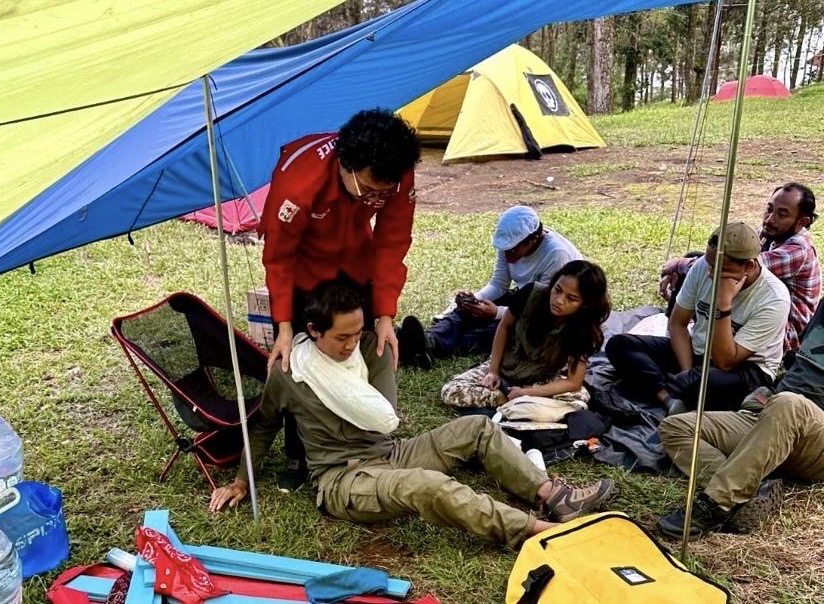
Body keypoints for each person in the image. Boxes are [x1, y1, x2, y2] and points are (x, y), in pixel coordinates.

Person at [209, 278, 616, 548]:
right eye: (341, 337)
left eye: (357, 332)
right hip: (342, 478)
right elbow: (261, 427)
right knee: (429, 486)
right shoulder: (291, 372)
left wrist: (378, 351)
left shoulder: (370, 351)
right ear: (314, 331)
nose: (352, 344)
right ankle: (533, 531)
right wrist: (242, 481)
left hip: (389, 453)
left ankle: (551, 495)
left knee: (477, 428)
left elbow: (385, 415)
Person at [257, 108, 420, 489]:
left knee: (359, 346)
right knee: (303, 362)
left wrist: (383, 315)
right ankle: (304, 456)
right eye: (370, 188)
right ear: (345, 166)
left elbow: (392, 241)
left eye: (385, 190)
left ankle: (367, 443)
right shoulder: (298, 184)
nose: (379, 195)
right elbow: (278, 257)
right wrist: (283, 327)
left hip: (355, 262)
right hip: (305, 270)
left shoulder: (395, 173)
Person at [657, 301, 824, 540]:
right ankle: (751, 492)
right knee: (676, 427)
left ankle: (716, 504)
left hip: (814, 433)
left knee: (790, 404)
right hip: (776, 417)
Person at [607, 223, 790, 415]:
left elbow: (726, 361)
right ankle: (668, 398)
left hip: (744, 367)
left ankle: (663, 385)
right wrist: (686, 373)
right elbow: (678, 323)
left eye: (719, 268)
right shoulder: (704, 265)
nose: (710, 273)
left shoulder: (774, 299)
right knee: (620, 345)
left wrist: (723, 305)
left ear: (749, 266)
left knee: (706, 383)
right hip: (697, 354)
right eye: (709, 264)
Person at [399, 205, 582, 369]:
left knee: (496, 331)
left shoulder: (557, 255)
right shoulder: (509, 244)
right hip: (525, 296)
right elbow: (498, 284)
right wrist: (474, 299)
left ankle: (429, 350)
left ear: (532, 240)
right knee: (465, 311)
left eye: (512, 250)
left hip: (552, 310)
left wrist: (496, 313)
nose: (507, 254)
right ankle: (429, 341)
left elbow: (545, 307)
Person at [659, 183, 820, 353]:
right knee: (696, 259)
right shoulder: (770, 233)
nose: (770, 219)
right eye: (769, 209)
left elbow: (733, 265)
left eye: (782, 214)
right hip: (755, 309)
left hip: (783, 331)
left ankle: (680, 338)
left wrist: (677, 264)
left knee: (707, 268)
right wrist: (685, 265)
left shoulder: (798, 250)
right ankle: (676, 332)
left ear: (802, 221)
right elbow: (721, 255)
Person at [440, 260, 609, 409]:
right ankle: (513, 401)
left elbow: (574, 382)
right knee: (451, 391)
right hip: (505, 365)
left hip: (541, 377)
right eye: (557, 289)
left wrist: (528, 392)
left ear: (585, 304)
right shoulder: (531, 293)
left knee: (579, 400)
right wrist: (493, 371)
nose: (559, 300)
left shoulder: (583, 328)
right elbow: (504, 327)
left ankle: (519, 401)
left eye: (571, 298)